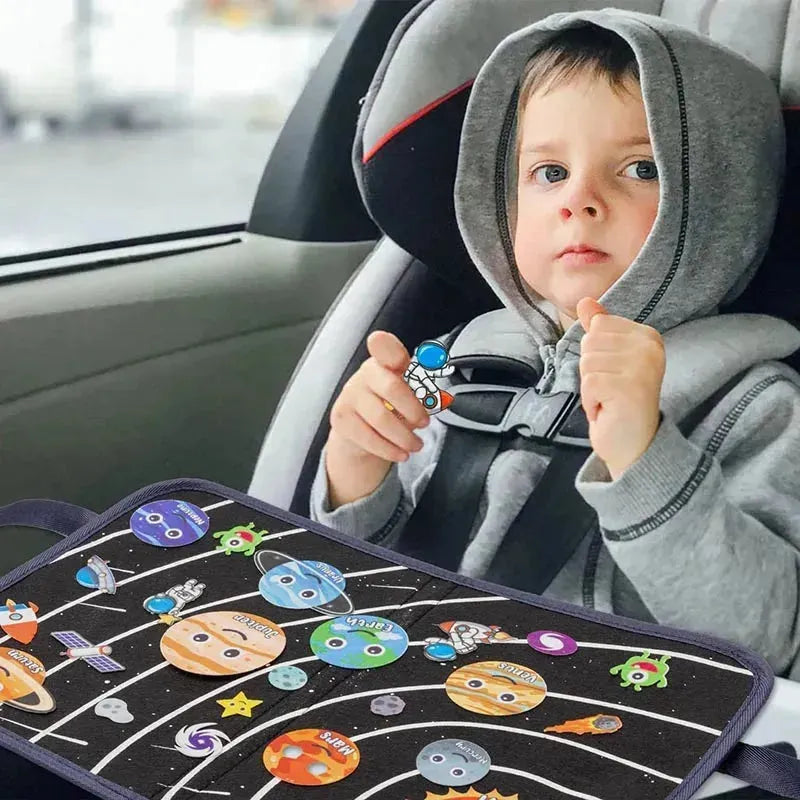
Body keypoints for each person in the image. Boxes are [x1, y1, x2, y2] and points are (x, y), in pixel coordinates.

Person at [310, 9, 800, 679]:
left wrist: (645, 458)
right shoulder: (448, 360)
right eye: (548, 172)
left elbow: (769, 643)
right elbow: (357, 578)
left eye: (641, 167)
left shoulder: (760, 404)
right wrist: (356, 469)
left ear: (723, 203)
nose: (579, 199)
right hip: (417, 680)